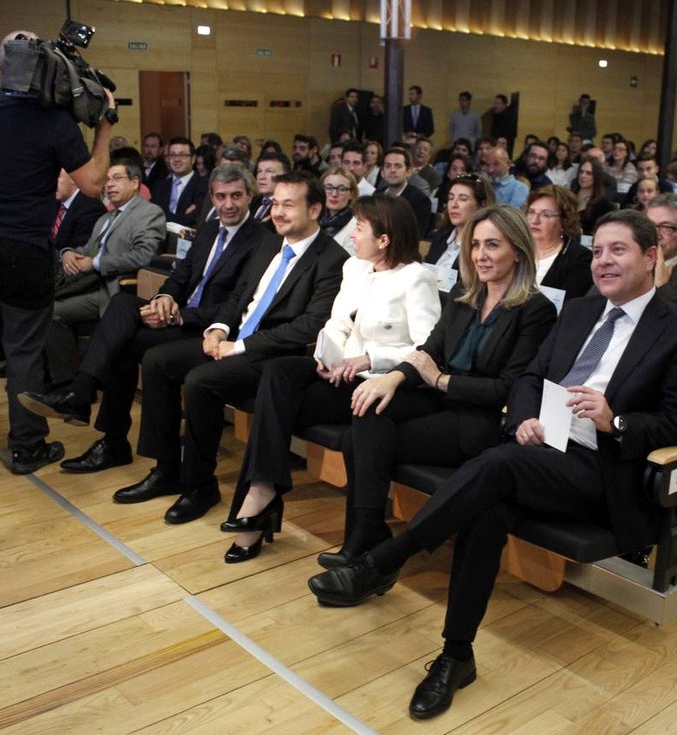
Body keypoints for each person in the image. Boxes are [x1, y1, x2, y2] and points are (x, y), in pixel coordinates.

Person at [307, 208, 677, 720]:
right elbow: (530, 379)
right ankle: (456, 656)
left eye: (619, 250)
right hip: (540, 448)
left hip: (601, 467)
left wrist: (617, 421)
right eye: (600, 250)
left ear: (652, 257)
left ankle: (385, 560)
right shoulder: (583, 311)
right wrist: (523, 419)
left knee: (497, 468)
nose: (604, 261)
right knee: (487, 505)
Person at [314, 204, 557, 569]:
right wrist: (392, 378)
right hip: (442, 402)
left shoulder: (535, 310)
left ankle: (364, 535)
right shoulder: (466, 296)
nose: (480, 255)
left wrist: (441, 380)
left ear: (518, 251)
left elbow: (508, 389)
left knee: (357, 438)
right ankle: (365, 533)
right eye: (475, 245)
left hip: (480, 421)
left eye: (493, 245)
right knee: (369, 405)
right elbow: (429, 351)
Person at [114, 171, 349, 524]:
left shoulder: (332, 259)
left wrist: (240, 347)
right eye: (275, 204)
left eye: (289, 205)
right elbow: (240, 295)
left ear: (315, 209)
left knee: (200, 381)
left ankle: (199, 486)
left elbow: (308, 326)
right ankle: (166, 469)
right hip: (236, 338)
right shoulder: (270, 242)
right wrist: (218, 329)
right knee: (157, 360)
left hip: (273, 355)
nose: (278, 212)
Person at [220, 195, 442, 562]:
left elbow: (426, 348)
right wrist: (329, 355)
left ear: (384, 239)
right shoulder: (355, 268)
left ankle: (257, 508)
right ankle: (262, 488)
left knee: (276, 407)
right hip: (338, 373)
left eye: (359, 228)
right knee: (278, 371)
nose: (351, 235)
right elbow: (337, 323)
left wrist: (369, 358)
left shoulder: (416, 278)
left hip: (375, 381)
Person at [0, 29, 114, 474]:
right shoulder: (55, 121)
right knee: (23, 351)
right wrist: (106, 125)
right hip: (24, 247)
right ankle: (26, 447)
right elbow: (93, 184)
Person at [19, 164, 268, 473]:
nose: (228, 204)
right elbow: (181, 276)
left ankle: (96, 417)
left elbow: (236, 306)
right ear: (212, 197)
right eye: (220, 196)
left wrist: (178, 317)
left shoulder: (260, 240)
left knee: (123, 339)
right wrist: (164, 299)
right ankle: (98, 419)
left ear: (250, 196)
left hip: (209, 331)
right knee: (123, 308)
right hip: (179, 315)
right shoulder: (208, 230)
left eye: (236, 196)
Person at [45, 159, 167, 388]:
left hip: (118, 288)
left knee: (53, 312)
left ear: (135, 182)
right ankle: (67, 380)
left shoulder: (148, 213)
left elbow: (143, 256)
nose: (110, 184)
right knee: (48, 310)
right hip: (90, 284)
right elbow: (88, 250)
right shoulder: (106, 217)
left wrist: (97, 263)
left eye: (117, 178)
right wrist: (69, 252)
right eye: (107, 180)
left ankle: (73, 384)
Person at [524, 185, 593, 300]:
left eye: (546, 215)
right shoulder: (516, 250)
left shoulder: (580, 258)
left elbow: (570, 305)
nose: (535, 220)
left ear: (564, 221)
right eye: (531, 212)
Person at [427, 172, 495, 272]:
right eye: (451, 198)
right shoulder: (439, 237)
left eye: (463, 199)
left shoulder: (482, 245)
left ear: (481, 205)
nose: (454, 204)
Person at [319, 167, 359, 257]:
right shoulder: (313, 219)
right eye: (329, 188)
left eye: (342, 189)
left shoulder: (357, 225)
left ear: (351, 194)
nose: (334, 194)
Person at [572, 156, 617, 235]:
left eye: (588, 173)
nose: (583, 176)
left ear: (596, 176)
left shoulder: (603, 203)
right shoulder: (569, 195)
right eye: (581, 171)